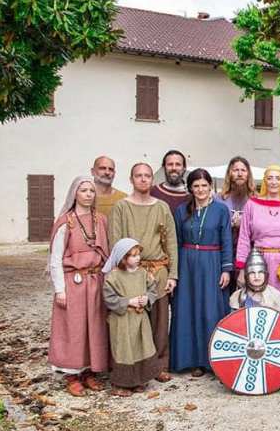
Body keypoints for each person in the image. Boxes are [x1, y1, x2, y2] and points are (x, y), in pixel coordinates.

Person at [108, 163, 178, 383]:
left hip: (158, 270)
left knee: (159, 322)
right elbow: (115, 242)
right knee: (133, 322)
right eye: (138, 175)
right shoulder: (121, 207)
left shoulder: (162, 207)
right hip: (130, 272)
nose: (143, 179)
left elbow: (171, 243)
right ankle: (135, 368)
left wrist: (173, 274)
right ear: (131, 179)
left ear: (152, 180)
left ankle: (159, 365)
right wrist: (119, 271)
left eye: (147, 175)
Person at [48, 176, 110, 396]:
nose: (88, 194)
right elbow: (55, 259)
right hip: (73, 282)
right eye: (83, 190)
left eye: (91, 191)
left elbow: (106, 253)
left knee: (94, 327)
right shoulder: (66, 222)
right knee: (73, 328)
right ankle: (72, 375)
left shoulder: (100, 220)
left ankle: (90, 371)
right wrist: (60, 289)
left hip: (96, 280)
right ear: (75, 193)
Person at [170, 168, 233, 376]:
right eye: (196, 186)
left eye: (204, 185)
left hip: (212, 262)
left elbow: (226, 240)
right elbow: (176, 241)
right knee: (188, 309)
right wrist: (175, 271)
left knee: (210, 309)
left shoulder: (221, 210)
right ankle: (192, 360)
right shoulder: (181, 210)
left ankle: (213, 359)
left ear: (210, 186)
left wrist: (226, 269)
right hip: (187, 264)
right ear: (190, 188)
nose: (200, 189)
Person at [236, 165, 280, 310]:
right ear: (265, 181)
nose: (274, 182)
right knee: (259, 303)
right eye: (270, 178)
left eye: (277, 178)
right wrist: (242, 269)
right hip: (259, 260)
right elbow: (244, 238)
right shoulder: (252, 204)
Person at [102, 238, 163, 396]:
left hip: (140, 319)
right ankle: (121, 384)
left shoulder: (143, 273)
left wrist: (147, 299)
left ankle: (138, 380)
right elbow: (109, 298)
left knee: (140, 348)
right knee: (124, 350)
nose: (138, 258)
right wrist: (129, 301)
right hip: (122, 321)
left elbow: (152, 290)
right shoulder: (114, 277)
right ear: (123, 258)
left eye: (138, 255)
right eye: (133, 255)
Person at [229, 247, 280, 329]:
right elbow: (233, 324)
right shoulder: (239, 296)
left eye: (260, 272)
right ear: (246, 276)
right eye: (252, 273)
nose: (257, 277)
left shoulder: (275, 295)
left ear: (266, 275)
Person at [216, 156, 254, 288]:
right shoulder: (218, 199)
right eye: (235, 170)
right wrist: (229, 224)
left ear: (248, 174)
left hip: (249, 255)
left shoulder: (256, 200)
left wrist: (243, 225)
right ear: (229, 174)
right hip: (223, 253)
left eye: (243, 170)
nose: (239, 174)